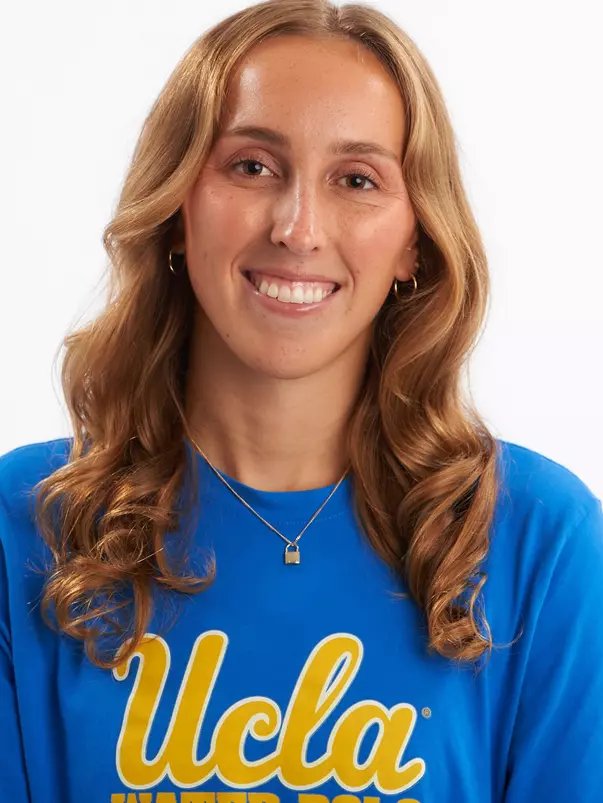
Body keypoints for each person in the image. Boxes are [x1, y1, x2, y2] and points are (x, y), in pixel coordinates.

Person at [1, 0, 602, 801]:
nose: (297, 225)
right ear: (179, 207)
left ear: (413, 241)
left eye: (356, 180)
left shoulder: (536, 536)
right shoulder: (24, 530)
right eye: (251, 165)